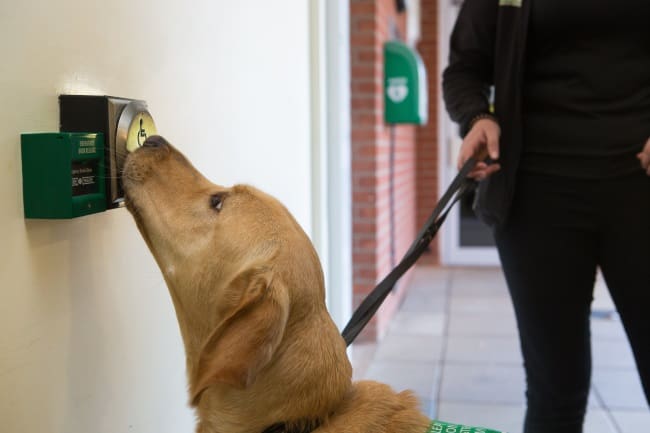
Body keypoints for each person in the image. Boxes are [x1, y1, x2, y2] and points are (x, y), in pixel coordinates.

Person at [442, 1, 650, 433]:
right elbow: (464, 69)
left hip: (640, 189)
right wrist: (478, 118)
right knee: (556, 390)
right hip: (537, 198)